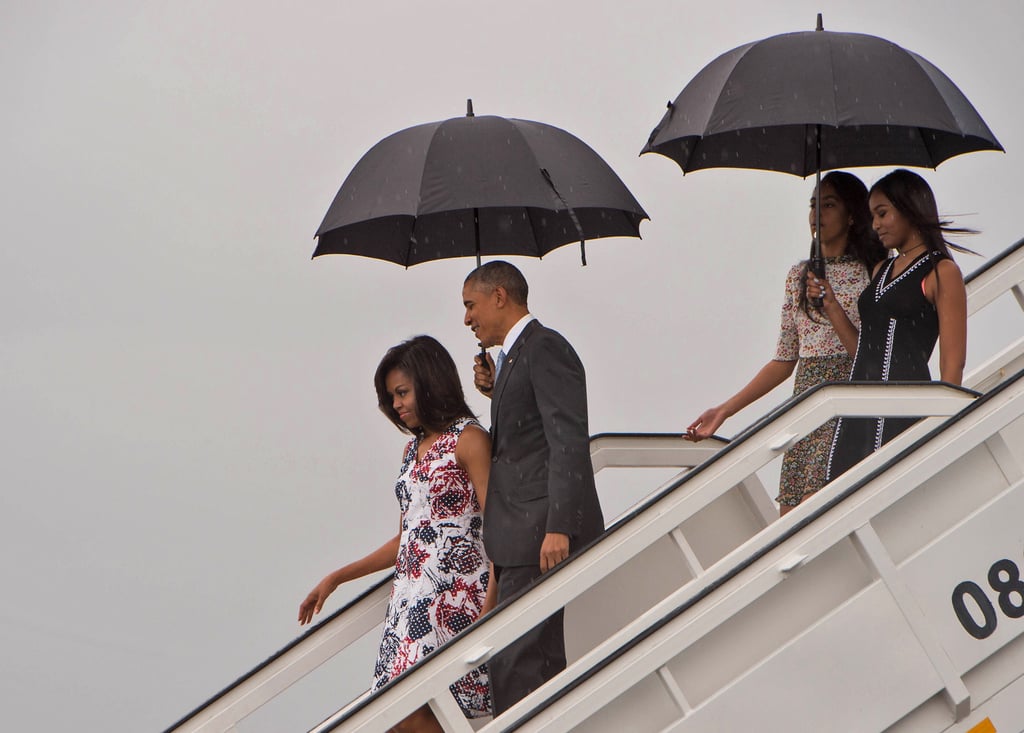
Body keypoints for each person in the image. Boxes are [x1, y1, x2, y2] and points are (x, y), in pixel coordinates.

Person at [298, 335, 494, 733]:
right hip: (408, 602)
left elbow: (498, 525)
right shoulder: (411, 451)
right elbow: (407, 540)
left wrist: (491, 606)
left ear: (429, 382)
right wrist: (337, 577)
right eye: (391, 398)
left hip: (454, 599)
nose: (397, 405)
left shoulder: (469, 439)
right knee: (394, 718)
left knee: (412, 713)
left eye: (402, 392)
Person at [685, 171, 885, 514]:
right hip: (804, 399)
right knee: (790, 516)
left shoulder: (874, 270)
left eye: (829, 205)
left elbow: (869, 354)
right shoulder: (798, 276)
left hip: (846, 396)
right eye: (812, 205)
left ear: (852, 215)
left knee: (814, 510)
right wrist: (724, 411)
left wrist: (832, 305)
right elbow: (784, 359)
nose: (817, 214)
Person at [462, 260, 604, 715]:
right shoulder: (516, 357)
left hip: (538, 532)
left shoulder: (545, 347)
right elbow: (529, 437)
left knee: (522, 664)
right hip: (519, 537)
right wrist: (497, 389)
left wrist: (559, 525)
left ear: (499, 296)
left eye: (471, 305)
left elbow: (567, 440)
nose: (467, 319)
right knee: (518, 662)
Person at [824, 169, 971, 482]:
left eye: (882, 213)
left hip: (904, 406)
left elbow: (953, 362)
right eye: (872, 216)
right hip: (858, 408)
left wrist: (943, 424)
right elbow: (865, 348)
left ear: (910, 209)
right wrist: (832, 307)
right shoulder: (881, 267)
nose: (875, 224)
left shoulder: (941, 271)